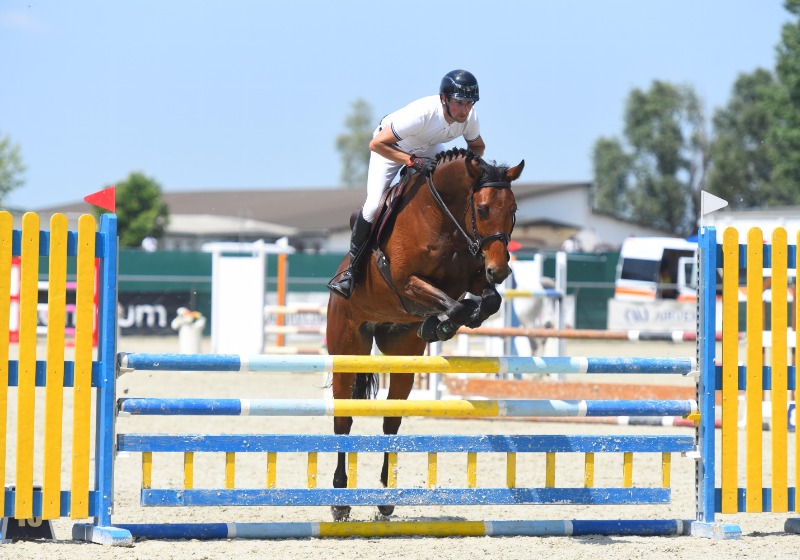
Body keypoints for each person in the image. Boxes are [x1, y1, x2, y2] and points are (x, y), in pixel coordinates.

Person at [327, 69, 486, 299]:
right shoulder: (422, 115)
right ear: (444, 99)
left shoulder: (470, 118)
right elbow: (376, 144)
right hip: (392, 148)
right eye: (459, 103)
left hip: (428, 147)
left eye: (469, 103)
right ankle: (351, 272)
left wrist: (468, 169)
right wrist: (411, 161)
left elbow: (478, 147)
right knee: (372, 206)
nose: (465, 109)